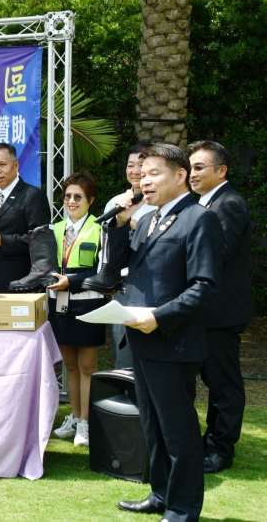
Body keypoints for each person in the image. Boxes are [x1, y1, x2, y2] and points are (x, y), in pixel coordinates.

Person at [108, 144, 223, 522]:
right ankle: (160, 493)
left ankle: (183, 508)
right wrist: (120, 223)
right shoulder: (148, 219)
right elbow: (118, 267)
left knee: (179, 431)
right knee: (153, 426)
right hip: (141, 339)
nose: (144, 181)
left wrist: (160, 317)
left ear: (180, 175)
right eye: (141, 174)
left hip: (173, 341)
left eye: (154, 173)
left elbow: (205, 286)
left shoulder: (199, 219)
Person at [187, 140, 255, 474]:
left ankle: (220, 450)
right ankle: (210, 442)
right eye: (190, 167)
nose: (192, 173)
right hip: (205, 312)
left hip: (220, 311)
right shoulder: (205, 202)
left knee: (224, 384)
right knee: (214, 381)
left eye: (199, 167)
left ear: (222, 170)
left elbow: (215, 253)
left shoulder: (228, 203)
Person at [47, 173, 105, 447]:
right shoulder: (54, 229)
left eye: (78, 196)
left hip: (88, 303)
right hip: (58, 303)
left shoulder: (101, 229)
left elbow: (102, 271)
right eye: (68, 196)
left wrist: (72, 281)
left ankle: (86, 423)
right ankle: (74, 416)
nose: (72, 201)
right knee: (69, 365)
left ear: (90, 200)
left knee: (87, 366)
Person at [104, 143, 157, 369]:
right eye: (130, 165)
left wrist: (135, 226)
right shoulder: (116, 203)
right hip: (122, 288)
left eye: (141, 165)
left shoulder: (159, 202)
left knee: (151, 354)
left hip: (152, 287)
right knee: (123, 354)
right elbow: (107, 247)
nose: (135, 171)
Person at [0, 142, 50, 293]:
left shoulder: (33, 196)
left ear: (16, 166)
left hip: (17, 281)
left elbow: (41, 242)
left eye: (2, 164)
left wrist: (2, 241)